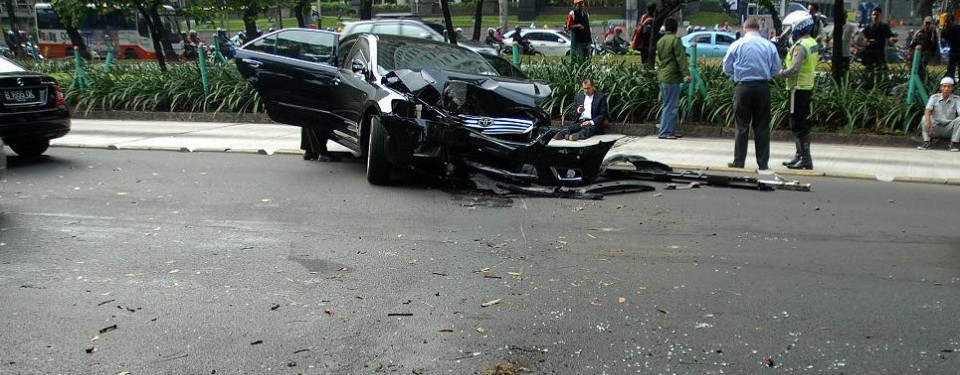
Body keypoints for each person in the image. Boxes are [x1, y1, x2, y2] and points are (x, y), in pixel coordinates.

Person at [721, 17, 782, 171]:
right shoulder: (768, 45)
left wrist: (736, 74)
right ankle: (763, 163)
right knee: (762, 126)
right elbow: (776, 68)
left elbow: (726, 67)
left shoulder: (737, 45)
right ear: (758, 29)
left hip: (743, 87)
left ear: (744, 28)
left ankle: (739, 161)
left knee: (741, 126)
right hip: (762, 87)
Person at [775, 10, 820, 170]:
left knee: (798, 125)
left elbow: (794, 69)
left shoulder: (800, 47)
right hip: (805, 88)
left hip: (797, 89)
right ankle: (799, 155)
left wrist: (777, 74)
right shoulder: (811, 42)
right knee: (800, 123)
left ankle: (805, 159)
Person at [655, 18, 691, 139]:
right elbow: (681, 59)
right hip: (672, 77)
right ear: (676, 28)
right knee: (671, 106)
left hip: (663, 75)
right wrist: (686, 74)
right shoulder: (675, 40)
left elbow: (660, 57)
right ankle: (665, 132)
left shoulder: (661, 41)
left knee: (668, 104)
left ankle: (671, 130)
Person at [916, 77, 960, 152]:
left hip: (949, 128)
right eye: (944, 86)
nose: (946, 89)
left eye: (949, 87)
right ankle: (927, 143)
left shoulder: (956, 99)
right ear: (941, 88)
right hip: (935, 127)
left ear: (952, 88)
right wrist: (928, 121)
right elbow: (928, 110)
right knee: (925, 118)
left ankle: (953, 144)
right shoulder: (934, 97)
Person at [861, 8, 896, 83]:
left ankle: (880, 87)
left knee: (880, 71)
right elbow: (863, 37)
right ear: (871, 16)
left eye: (877, 15)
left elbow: (889, 36)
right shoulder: (868, 27)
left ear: (880, 16)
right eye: (873, 14)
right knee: (869, 72)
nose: (875, 16)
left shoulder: (884, 26)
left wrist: (892, 39)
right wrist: (867, 41)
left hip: (879, 52)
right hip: (870, 53)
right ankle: (868, 86)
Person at [910, 17, 939, 82]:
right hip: (918, 52)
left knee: (923, 66)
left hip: (926, 52)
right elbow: (912, 43)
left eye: (929, 23)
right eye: (927, 23)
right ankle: (916, 80)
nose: (927, 25)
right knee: (916, 67)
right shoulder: (919, 32)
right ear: (924, 23)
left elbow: (934, 42)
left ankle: (922, 80)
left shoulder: (932, 32)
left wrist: (933, 30)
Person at [941, 15, 960, 79]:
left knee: (951, 68)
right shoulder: (956, 28)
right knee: (951, 67)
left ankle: (950, 79)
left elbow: (944, 40)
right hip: (954, 50)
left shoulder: (947, 30)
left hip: (954, 50)